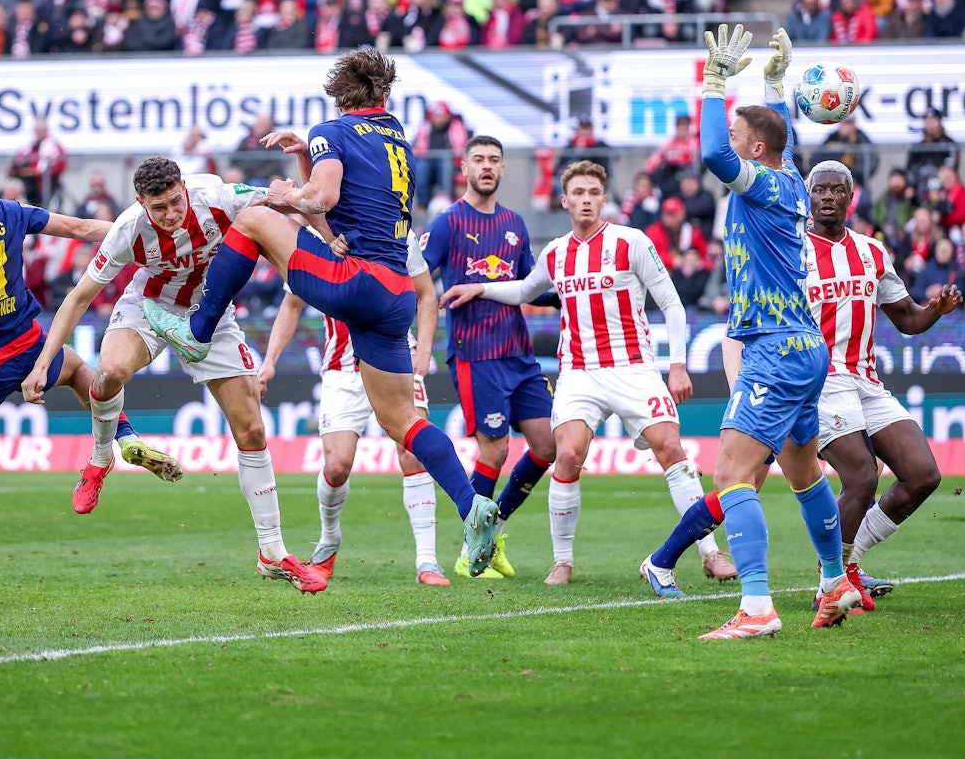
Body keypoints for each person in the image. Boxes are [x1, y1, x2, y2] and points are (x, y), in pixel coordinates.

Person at [140, 48, 500, 577]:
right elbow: (346, 200)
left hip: (355, 284)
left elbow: (323, 198)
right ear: (382, 94)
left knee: (257, 216)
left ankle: (197, 331)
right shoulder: (396, 131)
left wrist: (289, 191)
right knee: (402, 421)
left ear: (338, 94)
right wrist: (305, 160)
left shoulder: (330, 130)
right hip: (393, 289)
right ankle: (472, 505)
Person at [639, 25, 861, 639]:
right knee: (806, 473)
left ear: (755, 151)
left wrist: (713, 83)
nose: (729, 144)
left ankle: (757, 608)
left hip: (774, 348)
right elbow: (775, 138)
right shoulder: (786, 175)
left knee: (731, 477)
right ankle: (834, 578)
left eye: (740, 138)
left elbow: (714, 156)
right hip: (803, 346)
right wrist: (772, 83)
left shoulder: (762, 181)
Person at [22, 158, 324, 594]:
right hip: (147, 308)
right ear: (141, 204)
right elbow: (77, 298)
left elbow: (291, 202)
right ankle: (101, 457)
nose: (170, 214)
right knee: (109, 372)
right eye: (158, 208)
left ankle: (271, 552)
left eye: (174, 201)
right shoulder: (129, 229)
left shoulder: (219, 197)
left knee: (253, 429)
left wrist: (331, 238)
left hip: (210, 316)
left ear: (184, 186)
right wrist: (40, 363)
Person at [440, 159, 737, 586]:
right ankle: (562, 561)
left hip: (634, 368)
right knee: (566, 454)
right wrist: (481, 287)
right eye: (577, 193)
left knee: (671, 447)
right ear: (564, 200)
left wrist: (677, 365)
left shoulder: (630, 242)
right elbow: (526, 289)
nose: (585, 199)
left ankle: (710, 552)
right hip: (580, 373)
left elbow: (671, 303)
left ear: (603, 199)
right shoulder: (557, 252)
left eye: (593, 193)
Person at [803, 160, 963, 611]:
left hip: (866, 380)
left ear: (851, 198)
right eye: (821, 190)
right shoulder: (791, 251)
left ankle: (848, 563)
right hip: (820, 380)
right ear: (809, 197)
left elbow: (908, 318)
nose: (829, 197)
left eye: (837, 189)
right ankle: (828, 582)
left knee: (922, 475)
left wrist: (935, 309)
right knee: (860, 476)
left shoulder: (872, 252)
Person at [258, 233, 452, 586]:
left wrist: (423, 351)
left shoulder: (396, 230)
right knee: (336, 466)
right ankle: (329, 539)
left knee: (413, 455)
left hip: (397, 359)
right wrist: (270, 361)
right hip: (342, 369)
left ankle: (427, 560)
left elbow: (426, 294)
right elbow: (292, 305)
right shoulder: (315, 239)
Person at [0, 159, 181, 496]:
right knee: (76, 370)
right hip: (27, 343)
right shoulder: (8, 211)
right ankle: (125, 437)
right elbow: (79, 228)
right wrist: (147, 228)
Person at [420, 135, 557, 580]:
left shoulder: (514, 223)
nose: (486, 166)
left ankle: (491, 530)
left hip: (518, 355)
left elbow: (531, 285)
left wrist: (566, 294)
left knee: (548, 445)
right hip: (476, 355)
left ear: (502, 169)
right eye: (478, 159)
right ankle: (470, 548)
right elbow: (417, 280)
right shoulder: (447, 224)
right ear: (463, 167)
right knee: (495, 451)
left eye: (494, 160)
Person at [412, 100, 469, 211]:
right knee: (421, 167)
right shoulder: (426, 126)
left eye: (442, 115)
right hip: (428, 162)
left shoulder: (456, 126)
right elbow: (416, 147)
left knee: (445, 164)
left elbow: (461, 148)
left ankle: (446, 201)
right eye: (436, 115)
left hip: (451, 163)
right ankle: (423, 204)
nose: (439, 119)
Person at [8, 119, 67, 207]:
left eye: (42, 130)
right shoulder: (28, 146)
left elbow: (59, 165)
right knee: (11, 187)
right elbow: (13, 166)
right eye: (37, 130)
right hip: (25, 184)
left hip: (45, 186)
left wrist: (32, 171)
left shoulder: (53, 146)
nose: (39, 133)